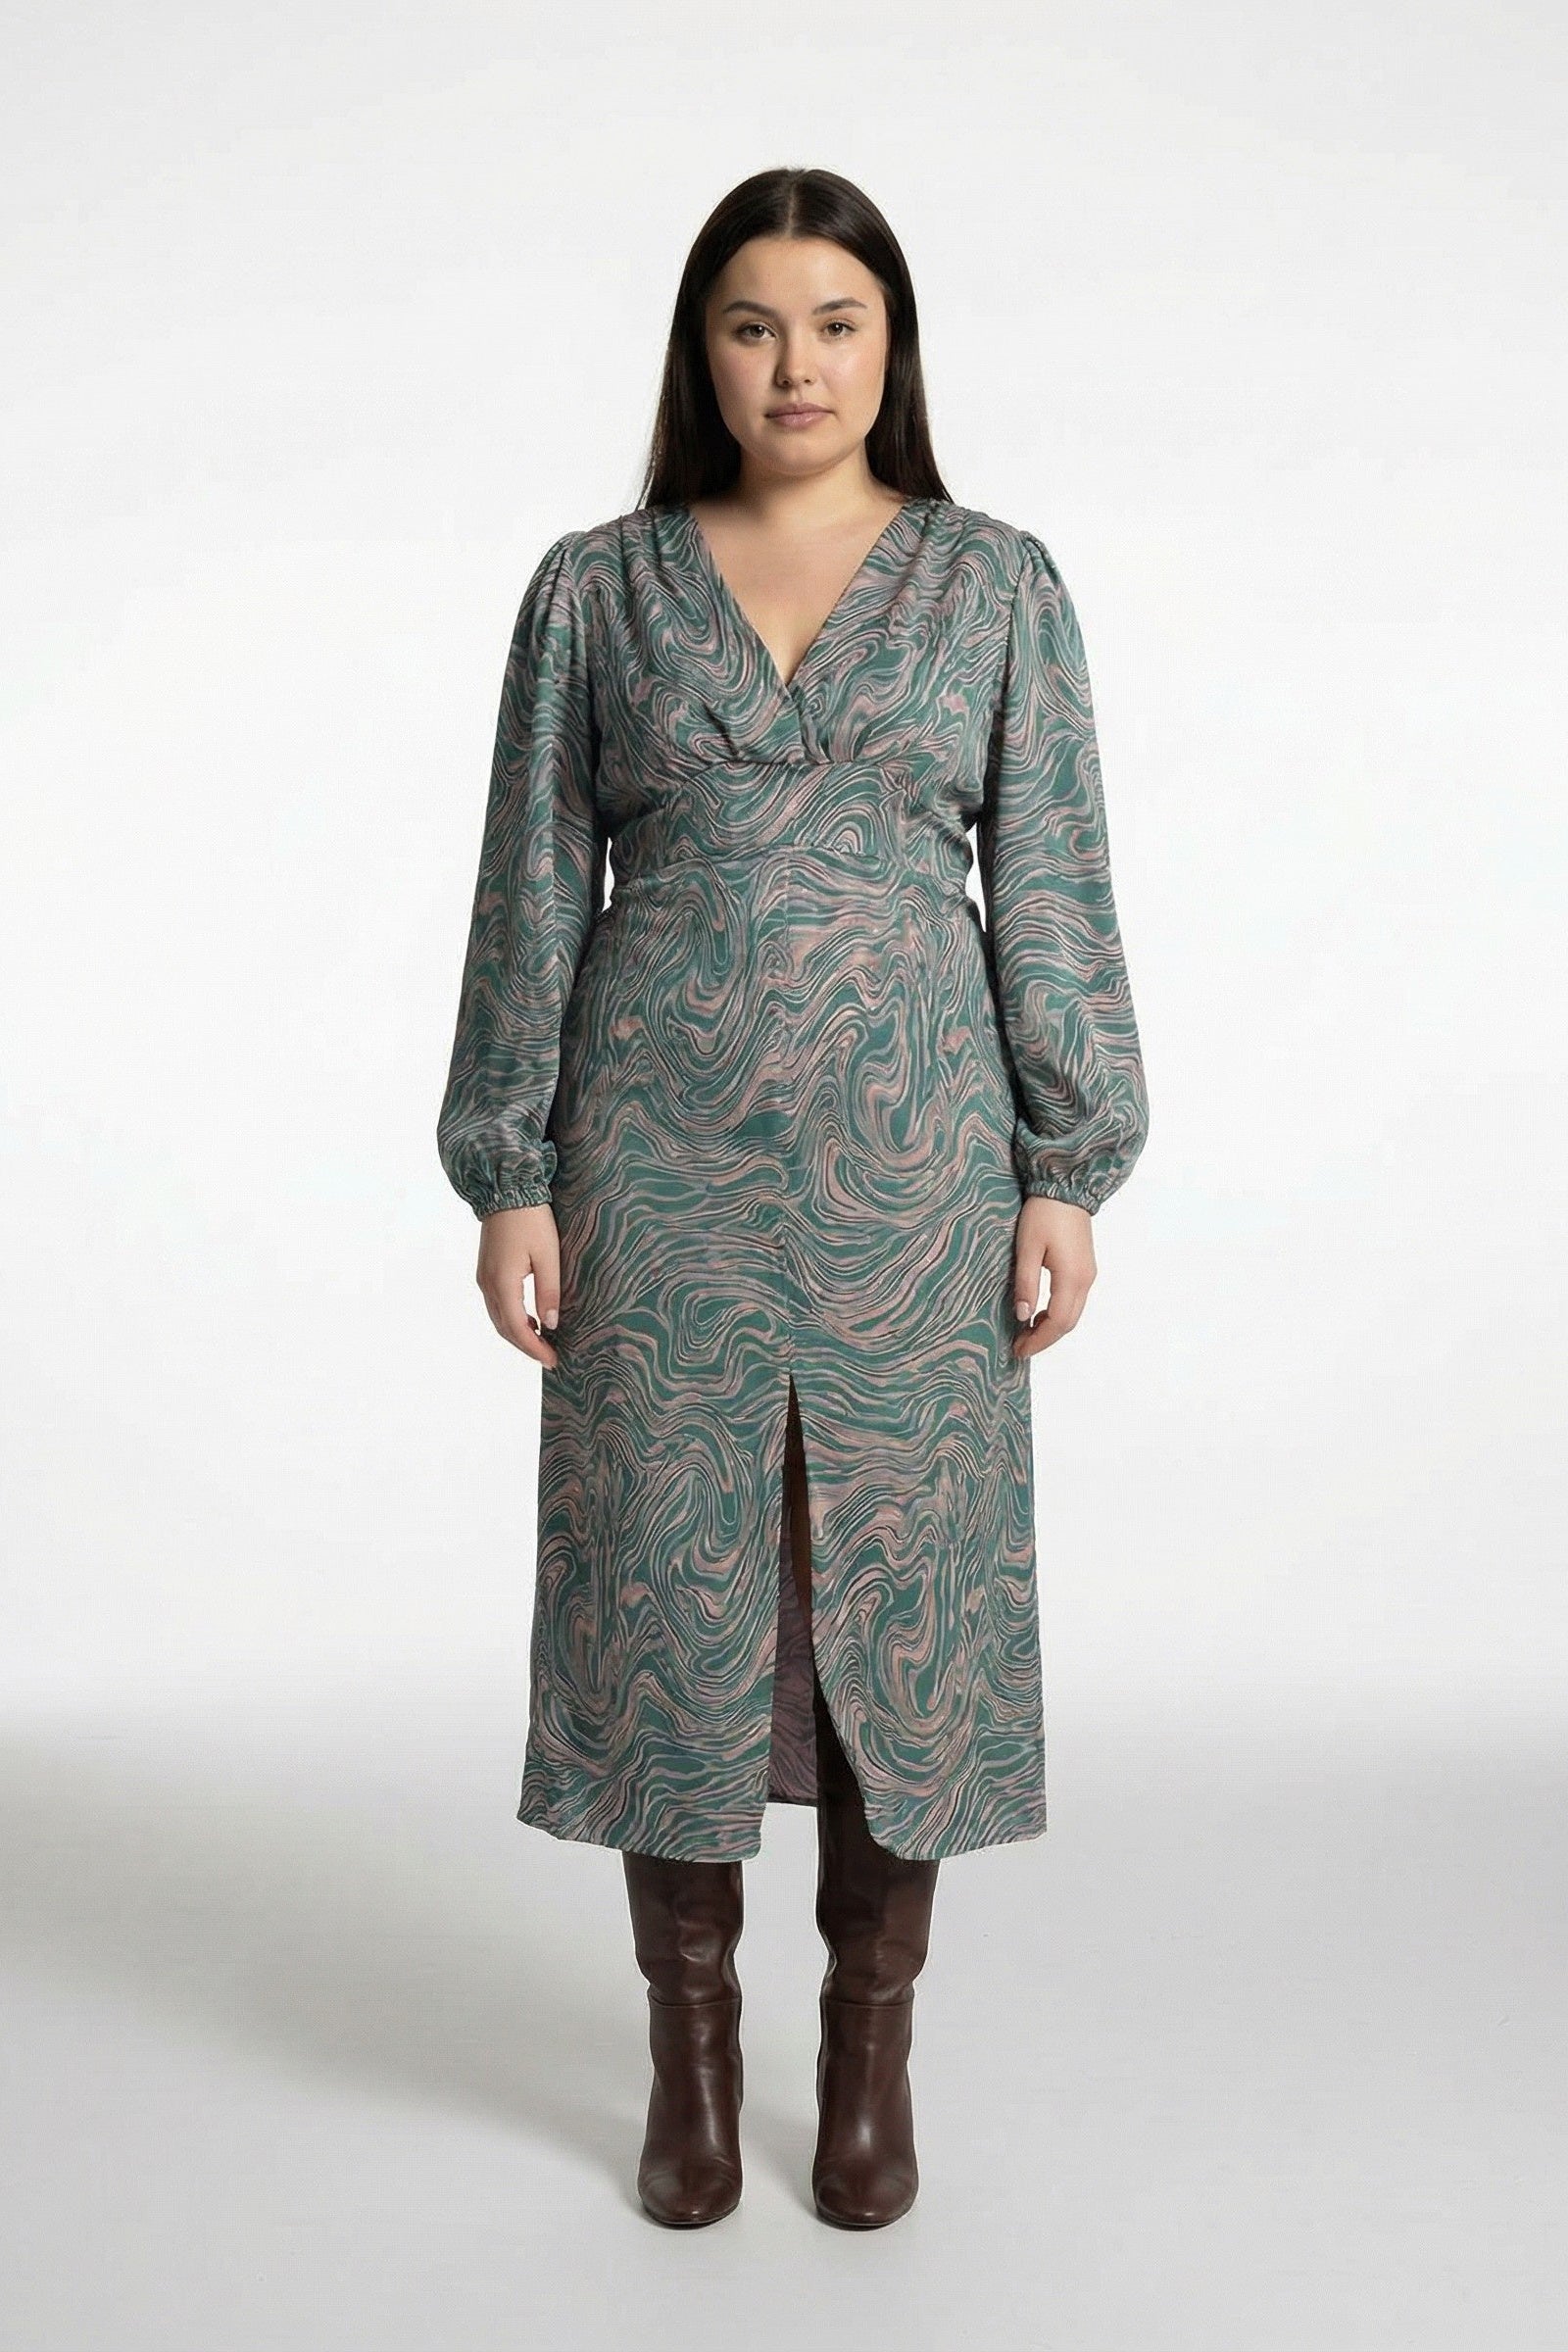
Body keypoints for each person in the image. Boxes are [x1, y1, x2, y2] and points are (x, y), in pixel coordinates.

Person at [435, 165, 1150, 2230]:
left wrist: (1069, 1164)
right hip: (651, 1165)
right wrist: (507, 1168)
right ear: (702, 350)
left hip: (919, 1171)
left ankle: (866, 2056)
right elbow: (528, 892)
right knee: (671, 1583)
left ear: (889, 344)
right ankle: (688, 2059)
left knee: (889, 1597)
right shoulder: (595, 590)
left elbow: (1053, 881)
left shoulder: (994, 583)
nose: (795, 365)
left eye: (836, 323)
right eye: (752, 325)